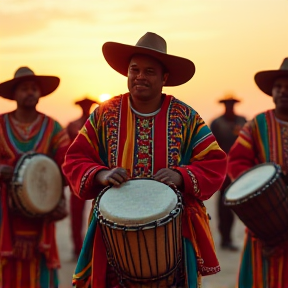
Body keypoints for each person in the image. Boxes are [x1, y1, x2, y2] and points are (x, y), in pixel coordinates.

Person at [62, 32, 227, 288]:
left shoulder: (186, 117)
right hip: (111, 235)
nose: (140, 76)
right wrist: (100, 174)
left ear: (164, 78)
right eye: (134, 69)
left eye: (149, 71)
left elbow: (215, 161)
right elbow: (75, 159)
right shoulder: (104, 114)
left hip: (173, 238)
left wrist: (182, 176)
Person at [0, 66, 70, 288]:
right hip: (4, 216)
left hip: (42, 214)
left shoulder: (53, 127)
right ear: (14, 94)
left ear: (40, 94)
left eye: (33, 88)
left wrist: (60, 196)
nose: (30, 93)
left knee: (42, 273)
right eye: (24, 89)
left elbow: (67, 164)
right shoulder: (1, 124)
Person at [228, 57, 288, 288]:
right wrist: (258, 188)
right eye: (278, 87)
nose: (283, 92)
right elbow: (236, 161)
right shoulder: (256, 124)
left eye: (287, 88)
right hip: (266, 218)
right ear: (271, 92)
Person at [210, 95, 246, 251]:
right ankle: (225, 238)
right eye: (227, 105)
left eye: (232, 105)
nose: (230, 107)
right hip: (223, 168)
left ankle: (234, 236)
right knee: (224, 204)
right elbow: (211, 147)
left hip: (240, 168)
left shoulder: (242, 121)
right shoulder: (217, 123)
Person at [66, 97, 98, 259]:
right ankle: (78, 248)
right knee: (76, 213)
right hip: (79, 173)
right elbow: (67, 152)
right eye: (84, 106)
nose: (86, 108)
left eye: (88, 105)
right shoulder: (73, 126)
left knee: (99, 212)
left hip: (99, 173)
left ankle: (95, 248)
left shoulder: (98, 125)